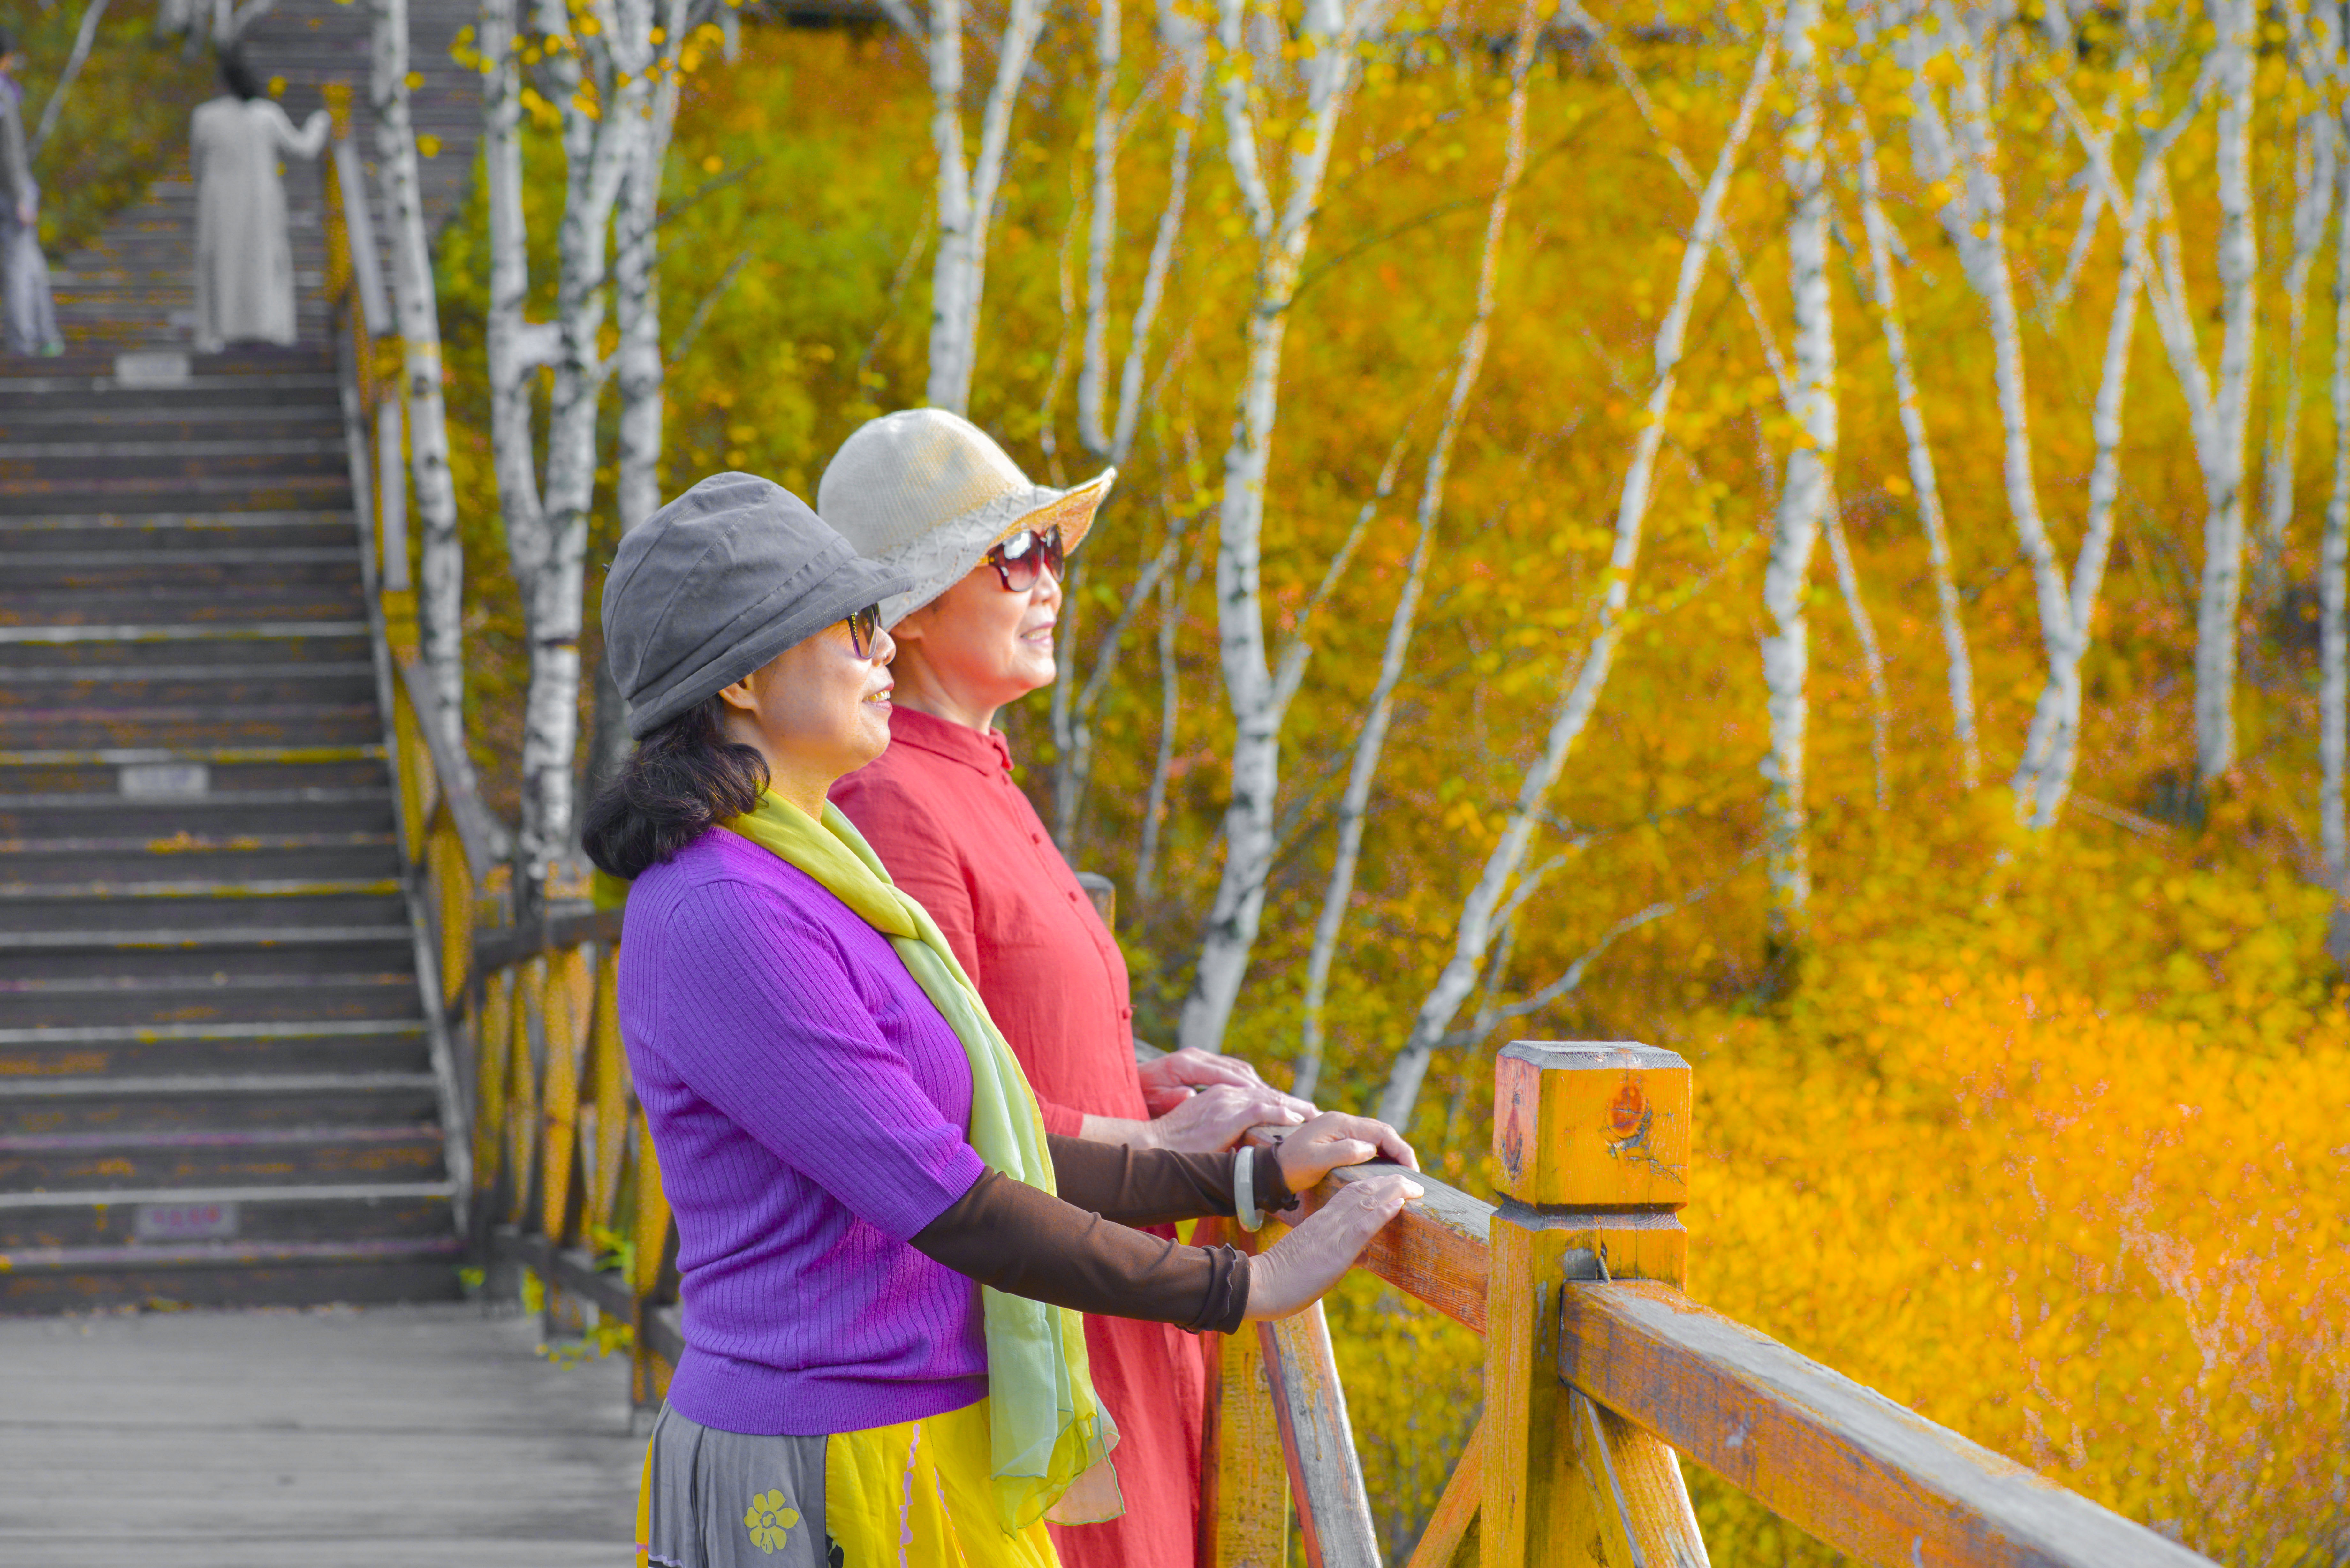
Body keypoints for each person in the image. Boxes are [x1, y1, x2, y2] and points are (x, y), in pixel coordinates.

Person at [584, 472, 1421, 1568]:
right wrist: (1244, 1284)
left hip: (905, 1445)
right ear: (741, 678)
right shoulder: (727, 910)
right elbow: (955, 1201)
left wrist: (1245, 1182)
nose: (883, 649)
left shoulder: (816, 874)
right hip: (827, 1462)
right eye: (854, 624)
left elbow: (981, 1140)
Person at [818, 410, 1325, 1568]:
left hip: (1114, 1291)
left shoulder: (980, 778)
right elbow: (936, 1114)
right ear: (914, 605)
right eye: (1014, 553)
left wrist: (1142, 1084)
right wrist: (1181, 1149)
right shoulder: (893, 800)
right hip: (1041, 1320)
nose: (1050, 579)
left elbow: (1012, 1045)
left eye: (1051, 547)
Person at [190, 48, 328, 353]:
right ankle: (269, 326)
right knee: (265, 260)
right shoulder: (265, 114)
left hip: (219, 201)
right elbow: (303, 147)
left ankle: (219, 331)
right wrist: (321, 122)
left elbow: (196, 166)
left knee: (221, 262)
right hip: (260, 198)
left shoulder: (205, 117)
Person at [0, 28, 62, 357]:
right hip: (11, 193)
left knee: (32, 264)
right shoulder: (2, 94)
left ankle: (45, 334)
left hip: (13, 190)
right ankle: (24, 339)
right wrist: (20, 195)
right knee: (19, 266)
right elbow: (9, 151)